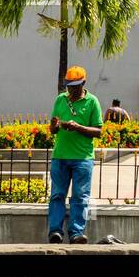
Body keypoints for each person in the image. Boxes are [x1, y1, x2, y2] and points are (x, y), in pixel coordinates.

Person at [48, 66, 103, 244]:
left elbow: (98, 131)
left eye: (75, 86)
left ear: (83, 84)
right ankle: (55, 232)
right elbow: (53, 129)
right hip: (60, 156)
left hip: (82, 158)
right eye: (69, 86)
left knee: (80, 196)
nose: (71, 89)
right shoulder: (60, 100)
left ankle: (76, 233)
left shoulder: (92, 101)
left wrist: (78, 127)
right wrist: (55, 126)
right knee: (57, 195)